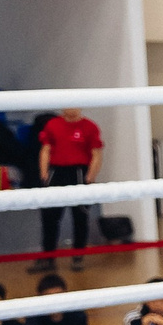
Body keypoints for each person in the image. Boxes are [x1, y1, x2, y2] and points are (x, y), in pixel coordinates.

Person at [36, 107, 103, 263]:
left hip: (79, 172)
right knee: (49, 216)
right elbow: (45, 149)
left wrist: (90, 177)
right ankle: (48, 257)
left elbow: (96, 154)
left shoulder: (90, 126)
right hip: (57, 172)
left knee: (80, 216)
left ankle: (78, 256)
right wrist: (44, 173)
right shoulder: (52, 125)